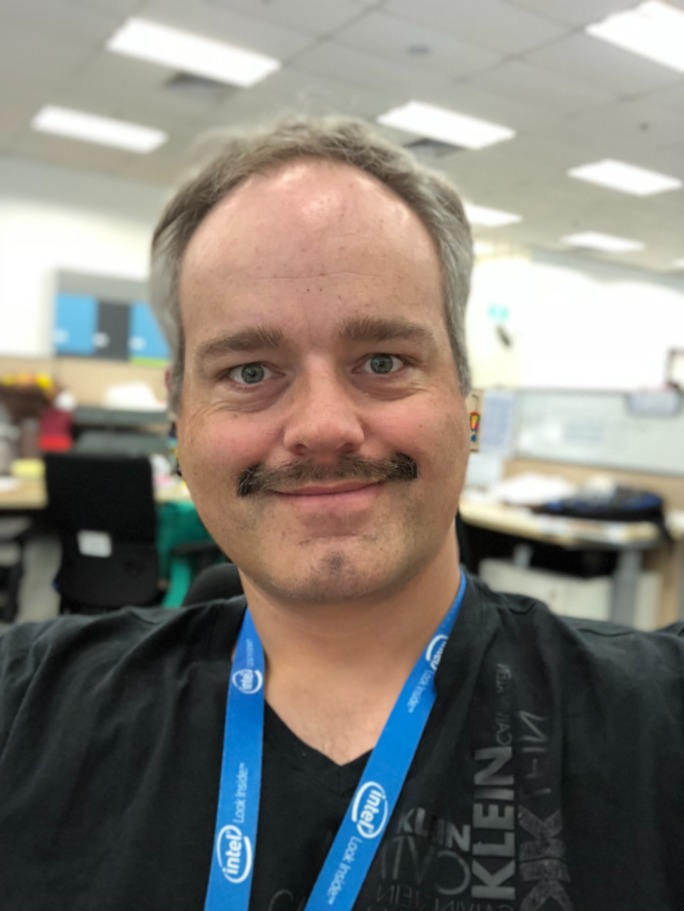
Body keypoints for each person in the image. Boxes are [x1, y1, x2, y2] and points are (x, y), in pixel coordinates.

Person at [1, 117, 683, 911]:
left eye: (383, 361)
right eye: (249, 370)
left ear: (467, 402)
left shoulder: (658, 724)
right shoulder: (27, 708)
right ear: (178, 420)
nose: (323, 426)